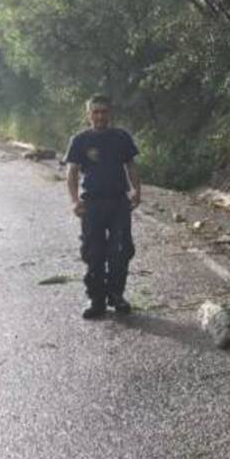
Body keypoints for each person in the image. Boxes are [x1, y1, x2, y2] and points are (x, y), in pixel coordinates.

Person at [64, 94, 141, 319]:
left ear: (110, 114)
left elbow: (131, 165)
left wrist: (137, 190)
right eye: (95, 112)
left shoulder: (121, 137)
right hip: (92, 205)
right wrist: (74, 200)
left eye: (104, 112)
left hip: (118, 202)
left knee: (121, 250)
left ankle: (117, 295)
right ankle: (96, 299)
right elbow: (72, 172)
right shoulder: (79, 140)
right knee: (93, 252)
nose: (100, 116)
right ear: (88, 115)